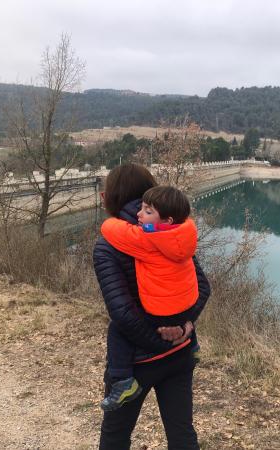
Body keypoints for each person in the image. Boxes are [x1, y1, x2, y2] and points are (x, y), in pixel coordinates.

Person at [93, 163, 209, 450]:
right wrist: (183, 329)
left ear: (111, 197)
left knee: (116, 438)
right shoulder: (172, 233)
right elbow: (202, 288)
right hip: (181, 354)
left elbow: (122, 313)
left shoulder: (108, 245)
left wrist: (159, 342)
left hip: (135, 364)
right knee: (182, 434)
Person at [99, 186, 199, 411]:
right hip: (187, 308)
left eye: (147, 211)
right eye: (141, 208)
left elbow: (110, 229)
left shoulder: (149, 239)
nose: (139, 215)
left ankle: (123, 380)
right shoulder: (185, 234)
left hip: (162, 313)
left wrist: (119, 219)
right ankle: (193, 345)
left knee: (117, 329)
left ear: (166, 220)